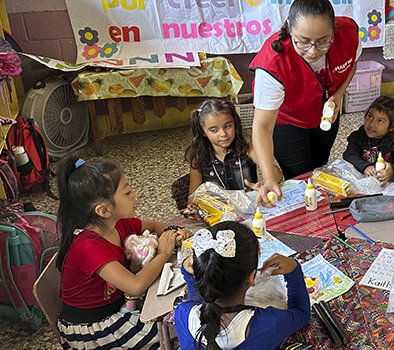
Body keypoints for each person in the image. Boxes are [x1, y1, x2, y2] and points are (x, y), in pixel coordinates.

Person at [56, 157, 192, 349]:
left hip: (119, 304)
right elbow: (135, 286)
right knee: (177, 331)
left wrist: (174, 232)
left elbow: (153, 225)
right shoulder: (88, 247)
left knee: (178, 309)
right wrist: (162, 253)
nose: (135, 195)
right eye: (127, 192)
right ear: (103, 210)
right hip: (93, 328)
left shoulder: (117, 224)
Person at [249, 0, 361, 206]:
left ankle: (318, 215)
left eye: (323, 41)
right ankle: (303, 224)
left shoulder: (348, 33)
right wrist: (269, 177)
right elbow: (262, 126)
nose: (313, 50)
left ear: (333, 31)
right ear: (290, 29)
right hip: (287, 121)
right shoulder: (273, 63)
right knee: (299, 176)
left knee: (319, 169)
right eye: (303, 41)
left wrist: (338, 94)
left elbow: (351, 64)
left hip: (325, 114)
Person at [174, 221, 310, 350]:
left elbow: (198, 303)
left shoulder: (182, 313)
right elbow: (302, 314)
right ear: (251, 278)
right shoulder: (269, 323)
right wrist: (294, 271)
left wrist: (189, 276)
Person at [184, 100, 280, 198]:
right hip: (219, 211)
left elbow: (277, 174)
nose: (223, 134)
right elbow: (193, 196)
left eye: (227, 126)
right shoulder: (198, 158)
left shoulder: (248, 149)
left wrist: (264, 184)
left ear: (235, 124)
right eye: (214, 130)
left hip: (250, 208)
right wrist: (192, 203)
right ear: (203, 132)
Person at [342, 96, 394, 182]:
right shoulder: (359, 136)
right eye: (370, 116)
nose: (372, 124)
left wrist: (392, 170)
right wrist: (364, 167)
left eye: (380, 121)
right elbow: (349, 155)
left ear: (392, 126)